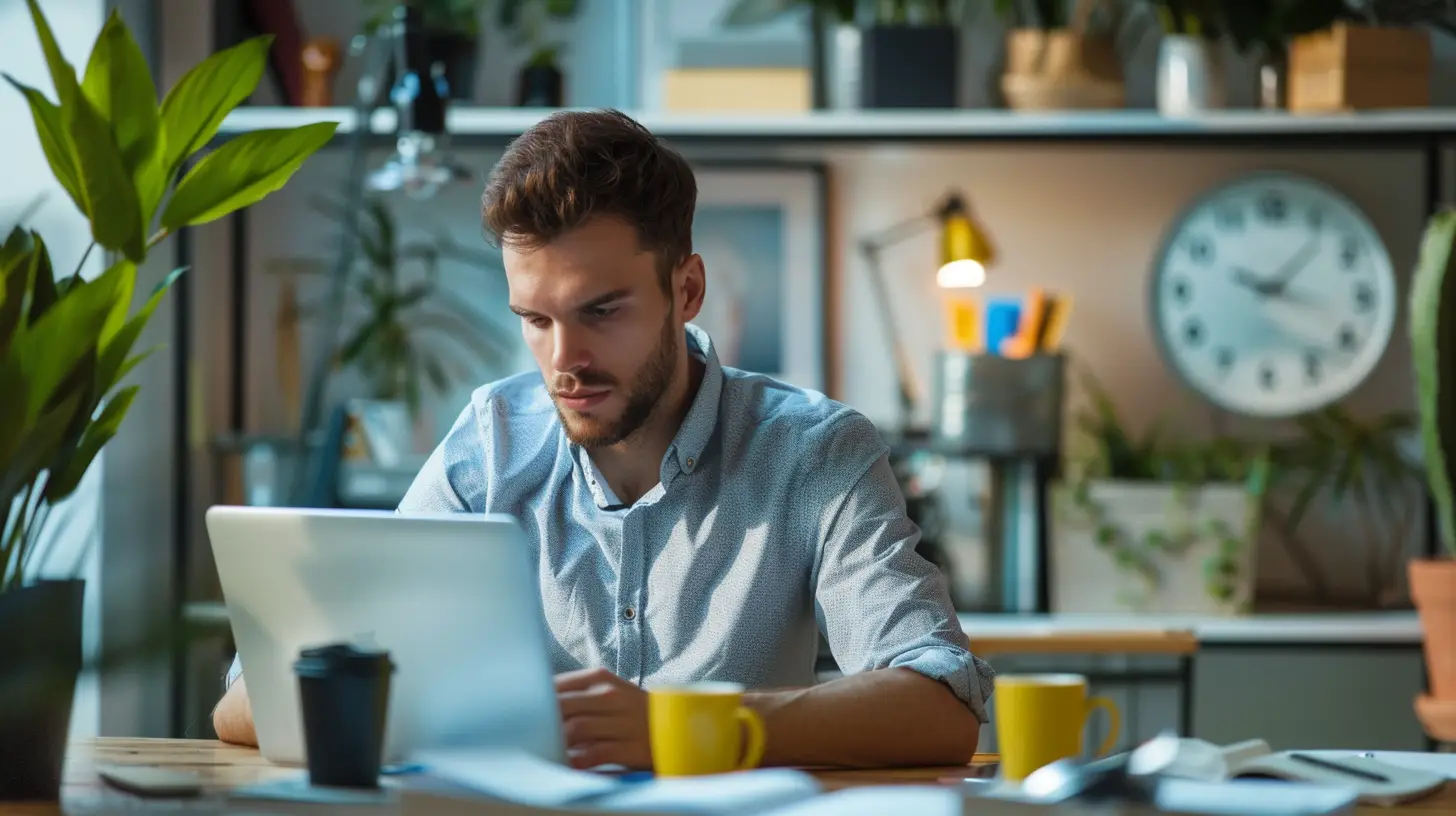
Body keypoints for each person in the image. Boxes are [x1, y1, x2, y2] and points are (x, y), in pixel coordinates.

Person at [213, 108, 995, 770]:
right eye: (536, 321)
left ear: (684, 291)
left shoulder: (813, 451)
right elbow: (250, 703)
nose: (565, 361)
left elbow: (941, 704)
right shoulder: (489, 445)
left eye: (602, 311)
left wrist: (685, 730)